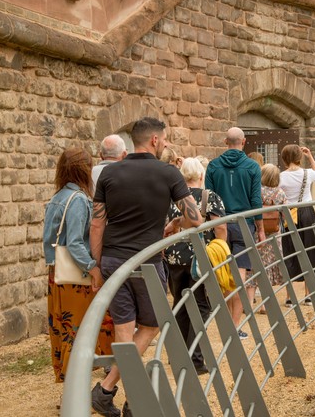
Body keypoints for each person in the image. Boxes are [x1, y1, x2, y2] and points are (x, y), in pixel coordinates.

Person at [90, 117, 203, 416]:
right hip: (147, 262)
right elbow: (195, 220)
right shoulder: (168, 172)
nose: (165, 143)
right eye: (164, 139)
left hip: (114, 260)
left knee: (124, 331)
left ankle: (111, 394)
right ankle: (119, 396)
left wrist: (97, 266)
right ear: (154, 140)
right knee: (151, 325)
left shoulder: (109, 173)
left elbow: (97, 223)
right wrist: (176, 222)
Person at [42, 147, 114, 386]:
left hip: (58, 276)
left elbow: (49, 242)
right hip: (75, 280)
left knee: (65, 334)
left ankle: (72, 392)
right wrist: (93, 268)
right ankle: (74, 397)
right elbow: (74, 242)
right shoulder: (78, 200)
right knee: (78, 334)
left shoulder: (58, 197)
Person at [165, 158, 227, 375]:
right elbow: (220, 229)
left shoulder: (173, 199)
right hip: (200, 258)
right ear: (202, 175)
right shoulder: (209, 197)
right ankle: (195, 359)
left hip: (174, 256)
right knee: (201, 305)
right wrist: (223, 252)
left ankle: (179, 356)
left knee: (180, 304)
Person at [205, 127, 265, 340]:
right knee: (240, 276)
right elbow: (256, 200)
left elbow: (209, 199)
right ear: (244, 142)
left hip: (219, 223)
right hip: (243, 223)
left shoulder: (213, 166)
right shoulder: (252, 166)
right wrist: (261, 230)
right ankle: (234, 326)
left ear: (225, 141)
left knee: (222, 273)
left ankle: (225, 324)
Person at [279, 144, 315, 306]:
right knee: (310, 250)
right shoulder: (308, 173)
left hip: (289, 214)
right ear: (299, 158)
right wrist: (310, 156)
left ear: (284, 159)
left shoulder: (281, 177)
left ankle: (290, 297)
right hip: (307, 212)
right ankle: (309, 295)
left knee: (289, 251)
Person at [259, 164, 287, 290]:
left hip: (259, 232)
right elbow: (285, 215)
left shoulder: (257, 191)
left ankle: (261, 300)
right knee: (271, 262)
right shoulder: (280, 193)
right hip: (274, 233)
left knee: (260, 263)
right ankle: (269, 296)